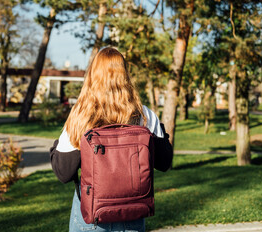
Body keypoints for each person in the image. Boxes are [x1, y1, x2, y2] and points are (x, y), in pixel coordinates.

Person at [50, 47, 173, 232]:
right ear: (125, 74)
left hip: (91, 217)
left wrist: (56, 147)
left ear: (93, 74)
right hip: (132, 212)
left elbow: (64, 173)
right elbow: (164, 162)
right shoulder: (144, 116)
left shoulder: (81, 116)